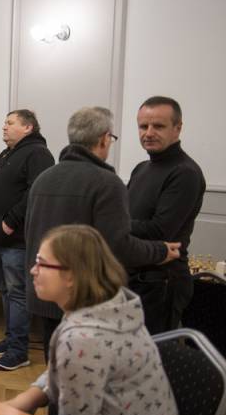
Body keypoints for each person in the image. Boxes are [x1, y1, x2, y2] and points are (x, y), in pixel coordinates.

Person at [6, 225, 186, 415]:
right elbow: (69, 370)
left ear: (71, 275)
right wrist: (29, 397)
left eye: (41, 263)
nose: (32, 270)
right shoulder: (110, 308)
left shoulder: (82, 339)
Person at [25, 107, 180, 361]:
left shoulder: (44, 178)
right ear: (104, 139)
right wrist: (160, 250)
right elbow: (118, 246)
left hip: (48, 293)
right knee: (84, 373)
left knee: (56, 369)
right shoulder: (106, 182)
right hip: (84, 299)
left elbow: (31, 236)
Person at [0, 110, 54, 370]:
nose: (4, 127)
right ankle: (10, 340)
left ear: (28, 127)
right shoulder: (9, 153)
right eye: (5, 123)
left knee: (17, 293)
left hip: (15, 239)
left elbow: (36, 191)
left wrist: (10, 221)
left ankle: (19, 350)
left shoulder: (37, 153)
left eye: (10, 123)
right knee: (6, 291)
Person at [127, 96, 206, 334]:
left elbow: (159, 230)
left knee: (154, 354)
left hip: (161, 282)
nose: (149, 133)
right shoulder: (141, 168)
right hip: (134, 276)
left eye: (158, 126)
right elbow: (126, 216)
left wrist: (110, 224)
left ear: (177, 128)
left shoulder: (185, 173)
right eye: (143, 126)